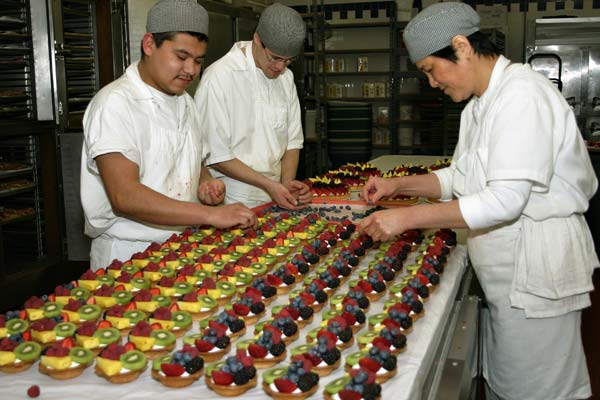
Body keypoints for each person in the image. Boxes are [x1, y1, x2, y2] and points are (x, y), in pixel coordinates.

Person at [358, 3, 598, 399]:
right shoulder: (479, 105)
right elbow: (463, 177)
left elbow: (505, 201)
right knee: (509, 383)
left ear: (461, 47)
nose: (432, 83)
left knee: (537, 390)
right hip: (510, 273)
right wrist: (398, 186)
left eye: (430, 70)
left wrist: (408, 219)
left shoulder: (521, 95)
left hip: (535, 271)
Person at [80, 0, 256, 271]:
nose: (191, 70)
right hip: (128, 254)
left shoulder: (185, 101)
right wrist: (209, 214)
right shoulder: (115, 103)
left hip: (182, 245)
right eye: (181, 57)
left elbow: (192, 160)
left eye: (198, 60)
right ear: (149, 44)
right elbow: (125, 196)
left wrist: (205, 183)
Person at [194, 2, 311, 209]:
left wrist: (286, 185)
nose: (280, 67)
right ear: (257, 39)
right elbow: (216, 154)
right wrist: (269, 186)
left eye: (288, 61)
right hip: (232, 199)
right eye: (275, 58)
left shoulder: (286, 78)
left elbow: (292, 142)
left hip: (274, 195)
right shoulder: (220, 77)